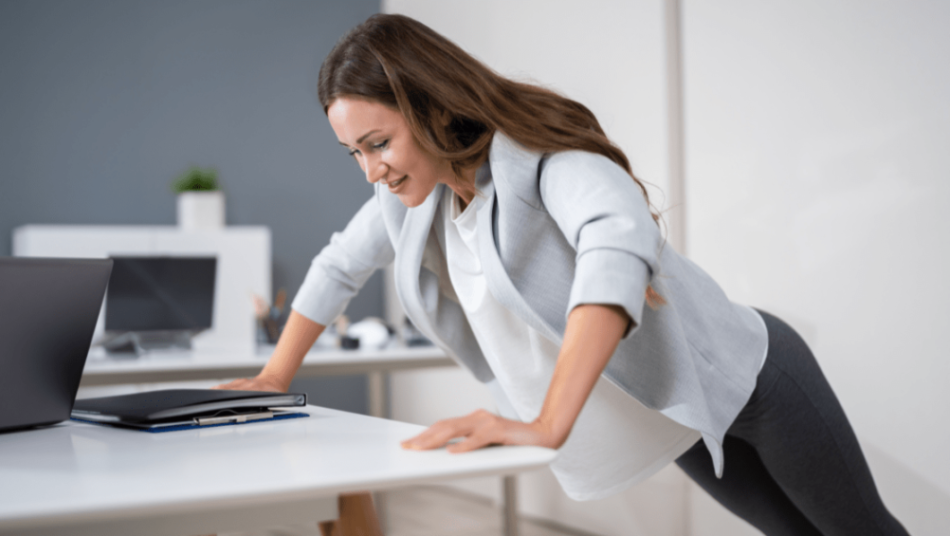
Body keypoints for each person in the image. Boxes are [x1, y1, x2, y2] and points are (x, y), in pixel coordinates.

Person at [219, 13, 908, 536]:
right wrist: (277, 377)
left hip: (757, 379)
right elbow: (340, 264)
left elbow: (616, 246)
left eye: (378, 144)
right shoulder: (411, 202)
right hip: (676, 411)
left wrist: (550, 422)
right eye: (353, 154)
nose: (371, 170)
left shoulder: (541, 161)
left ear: (429, 105)